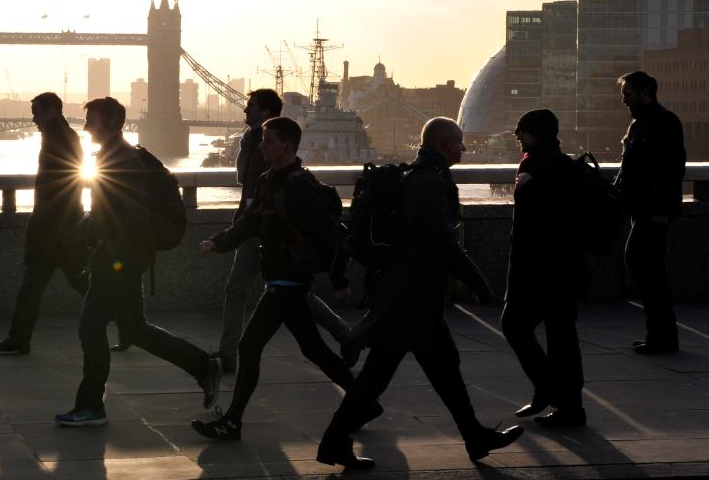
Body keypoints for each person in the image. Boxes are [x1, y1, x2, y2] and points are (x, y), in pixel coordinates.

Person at [317, 118, 522, 470]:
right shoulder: (428, 181)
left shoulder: (421, 176)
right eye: (459, 142)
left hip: (412, 296)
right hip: (410, 297)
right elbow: (439, 240)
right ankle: (334, 442)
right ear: (444, 144)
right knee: (378, 377)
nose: (464, 148)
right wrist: (478, 282)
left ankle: (474, 435)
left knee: (440, 369)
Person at [193, 116, 372, 441]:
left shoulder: (299, 187)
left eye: (269, 141)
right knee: (313, 349)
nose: (262, 145)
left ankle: (233, 421)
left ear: (287, 145)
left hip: (289, 282)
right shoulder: (268, 180)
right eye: (263, 140)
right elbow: (248, 224)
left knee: (250, 347)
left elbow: (327, 236)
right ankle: (365, 401)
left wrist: (339, 281)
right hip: (280, 281)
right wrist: (218, 242)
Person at [56, 97, 221, 427]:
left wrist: (86, 233)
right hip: (130, 253)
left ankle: (91, 406)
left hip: (119, 256)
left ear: (113, 125)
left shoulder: (120, 162)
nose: (86, 127)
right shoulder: (125, 156)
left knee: (90, 326)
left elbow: (119, 214)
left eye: (92, 121)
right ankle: (202, 366)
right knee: (133, 327)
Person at [211, 89, 355, 374]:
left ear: (265, 112)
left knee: (249, 289)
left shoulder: (272, 143)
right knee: (284, 293)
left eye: (250, 106)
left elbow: (260, 180)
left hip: (271, 227)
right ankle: (346, 336)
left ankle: (229, 355)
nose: (244, 111)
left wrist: (339, 280)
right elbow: (245, 178)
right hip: (254, 221)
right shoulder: (254, 140)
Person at [501, 109, 588, 428]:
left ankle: (554, 393)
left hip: (541, 268)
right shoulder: (564, 165)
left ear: (534, 134)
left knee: (516, 325)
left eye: (521, 132)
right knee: (561, 335)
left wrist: (528, 187)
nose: (517, 137)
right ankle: (566, 403)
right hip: (564, 266)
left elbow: (533, 223)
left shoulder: (539, 167)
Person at [0, 92, 90, 354]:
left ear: (52, 111)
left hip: (52, 229)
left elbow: (60, 183)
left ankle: (19, 339)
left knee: (33, 287)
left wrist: (47, 220)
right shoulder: (68, 135)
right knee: (80, 284)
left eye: (37, 112)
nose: (33, 118)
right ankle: (127, 323)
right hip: (65, 224)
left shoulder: (56, 137)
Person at [615, 71, 686, 355]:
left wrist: (664, 210)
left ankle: (663, 337)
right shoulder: (638, 124)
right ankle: (660, 335)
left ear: (645, 94)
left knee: (645, 268)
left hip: (654, 211)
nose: (625, 102)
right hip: (640, 208)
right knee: (648, 271)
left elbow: (673, 169)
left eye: (628, 95)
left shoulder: (666, 122)